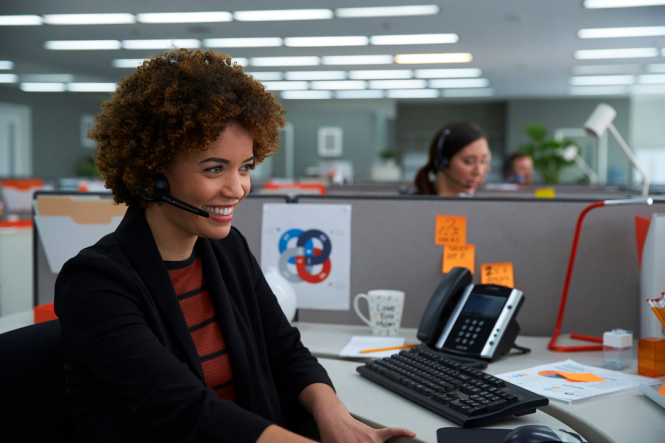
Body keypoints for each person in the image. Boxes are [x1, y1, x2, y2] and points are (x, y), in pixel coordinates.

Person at [54, 49, 415, 443]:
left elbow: (286, 351)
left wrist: (334, 414)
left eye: (244, 167)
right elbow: (188, 411)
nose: (237, 188)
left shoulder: (226, 249)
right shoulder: (95, 283)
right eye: (214, 168)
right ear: (151, 175)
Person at [414, 121, 491, 196]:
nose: (479, 172)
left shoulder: (481, 206)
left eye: (483, 161)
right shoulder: (410, 206)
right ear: (442, 162)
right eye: (469, 162)